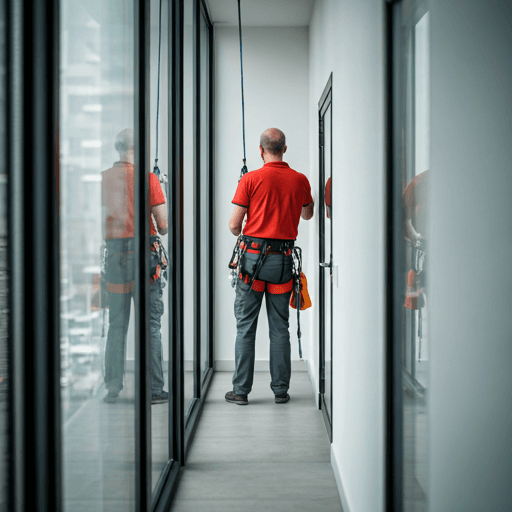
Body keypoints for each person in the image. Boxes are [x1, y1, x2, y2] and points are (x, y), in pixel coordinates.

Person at [225, 128, 314, 406]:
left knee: (246, 328)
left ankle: (240, 391)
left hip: (251, 262)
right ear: (284, 149)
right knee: (279, 328)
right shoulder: (299, 180)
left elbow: (233, 225)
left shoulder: (250, 179)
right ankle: (280, 391)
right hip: (282, 262)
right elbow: (308, 213)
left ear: (261, 151)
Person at [102, 128, 169, 404]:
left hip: (115, 257)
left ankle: (113, 387)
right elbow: (163, 226)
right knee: (151, 324)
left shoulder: (104, 179)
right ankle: (154, 389)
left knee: (116, 324)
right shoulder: (148, 179)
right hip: (144, 257)